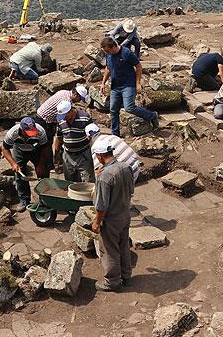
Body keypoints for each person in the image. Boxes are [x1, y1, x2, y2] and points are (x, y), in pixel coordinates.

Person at [90, 136, 135, 292]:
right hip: (125, 214)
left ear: (99, 156)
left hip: (111, 220)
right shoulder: (126, 167)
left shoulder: (105, 177)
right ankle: (126, 277)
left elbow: (101, 205)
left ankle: (112, 282)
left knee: (110, 251)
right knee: (123, 246)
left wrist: (96, 222)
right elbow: (130, 190)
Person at [99, 37, 158, 137]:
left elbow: (139, 66)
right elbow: (108, 68)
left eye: (108, 51)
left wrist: (138, 83)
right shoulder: (108, 54)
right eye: (105, 51)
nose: (107, 53)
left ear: (113, 47)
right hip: (115, 86)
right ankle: (115, 135)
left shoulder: (126, 53)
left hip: (128, 85)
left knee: (129, 107)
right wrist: (103, 83)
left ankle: (152, 115)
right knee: (113, 109)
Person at [34, 85, 89, 173]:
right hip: (44, 120)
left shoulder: (64, 92)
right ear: (76, 95)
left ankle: (53, 163)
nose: (79, 101)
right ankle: (49, 166)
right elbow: (64, 118)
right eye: (80, 99)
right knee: (47, 144)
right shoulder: (66, 101)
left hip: (46, 118)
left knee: (50, 142)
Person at [1, 117, 51, 212]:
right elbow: (4, 148)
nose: (30, 135)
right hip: (20, 150)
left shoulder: (40, 131)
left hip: (37, 150)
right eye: (28, 133)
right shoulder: (12, 133)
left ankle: (45, 198)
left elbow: (45, 148)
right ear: (22, 130)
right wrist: (13, 164)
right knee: (20, 174)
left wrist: (40, 165)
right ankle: (24, 200)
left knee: (43, 173)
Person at [54, 100, 95, 183]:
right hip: (68, 155)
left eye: (65, 116)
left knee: (88, 181)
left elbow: (92, 136)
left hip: (83, 154)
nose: (64, 118)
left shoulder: (85, 117)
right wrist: (56, 154)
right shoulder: (60, 121)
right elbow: (59, 138)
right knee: (69, 182)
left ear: (71, 111)